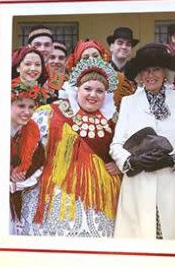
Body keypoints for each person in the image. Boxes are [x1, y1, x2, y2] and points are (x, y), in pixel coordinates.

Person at [111, 44, 175, 240]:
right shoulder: (129, 103)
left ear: (165, 72)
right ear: (139, 74)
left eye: (155, 69)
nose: (150, 75)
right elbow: (116, 145)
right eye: (145, 70)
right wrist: (132, 162)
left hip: (174, 183)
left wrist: (174, 159)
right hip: (139, 185)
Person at [22, 58, 123, 237]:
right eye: (88, 89)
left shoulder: (115, 120)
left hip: (99, 197)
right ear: (77, 89)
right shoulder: (51, 112)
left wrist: (119, 164)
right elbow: (28, 149)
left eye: (99, 91)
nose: (93, 95)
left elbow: (126, 150)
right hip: (57, 193)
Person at [9, 78, 46, 235]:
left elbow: (39, 162)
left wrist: (21, 177)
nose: (27, 112)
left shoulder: (32, 130)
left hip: (17, 192)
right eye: (21, 106)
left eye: (31, 107)